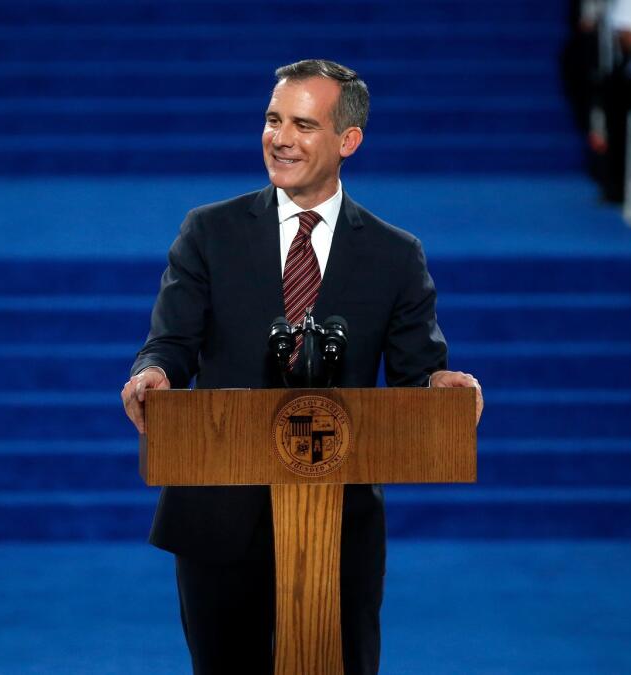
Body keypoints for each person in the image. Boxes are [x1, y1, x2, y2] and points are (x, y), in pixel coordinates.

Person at [120, 59, 482, 674]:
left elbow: (417, 370)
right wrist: (154, 371)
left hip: (338, 523)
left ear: (348, 141)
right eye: (272, 120)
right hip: (219, 509)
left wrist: (439, 387)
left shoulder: (395, 255)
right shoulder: (210, 232)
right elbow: (172, 343)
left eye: (302, 125)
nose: (280, 138)